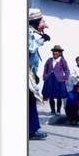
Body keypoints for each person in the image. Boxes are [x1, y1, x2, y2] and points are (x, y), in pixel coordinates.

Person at [28, 8, 50, 140]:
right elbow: (30, 48)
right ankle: (32, 129)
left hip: (31, 72)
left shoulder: (32, 32)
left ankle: (32, 128)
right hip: (27, 72)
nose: (44, 23)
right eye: (42, 20)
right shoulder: (28, 32)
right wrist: (42, 39)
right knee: (30, 102)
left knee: (31, 101)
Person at [42, 45, 70, 115]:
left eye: (57, 51)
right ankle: (53, 110)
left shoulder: (62, 61)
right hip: (50, 80)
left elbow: (67, 70)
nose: (55, 53)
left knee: (59, 96)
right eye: (54, 51)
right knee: (50, 96)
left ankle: (58, 111)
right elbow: (45, 68)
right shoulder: (49, 60)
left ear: (60, 53)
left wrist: (65, 78)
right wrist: (45, 76)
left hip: (59, 81)